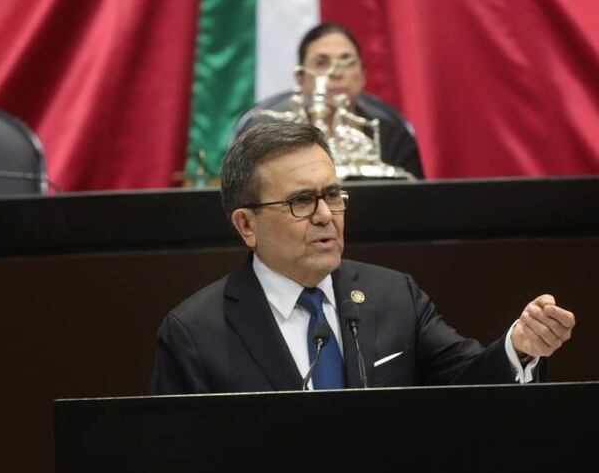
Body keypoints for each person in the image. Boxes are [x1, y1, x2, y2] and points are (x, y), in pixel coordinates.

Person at [151, 121, 575, 394]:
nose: (324, 216)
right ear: (247, 225)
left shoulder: (394, 297)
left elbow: (466, 383)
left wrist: (518, 347)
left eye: (332, 195)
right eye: (301, 201)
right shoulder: (196, 333)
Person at [231, 23, 425, 178]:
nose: (336, 73)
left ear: (363, 75)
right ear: (301, 78)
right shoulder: (264, 130)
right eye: (322, 63)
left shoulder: (390, 130)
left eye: (346, 61)